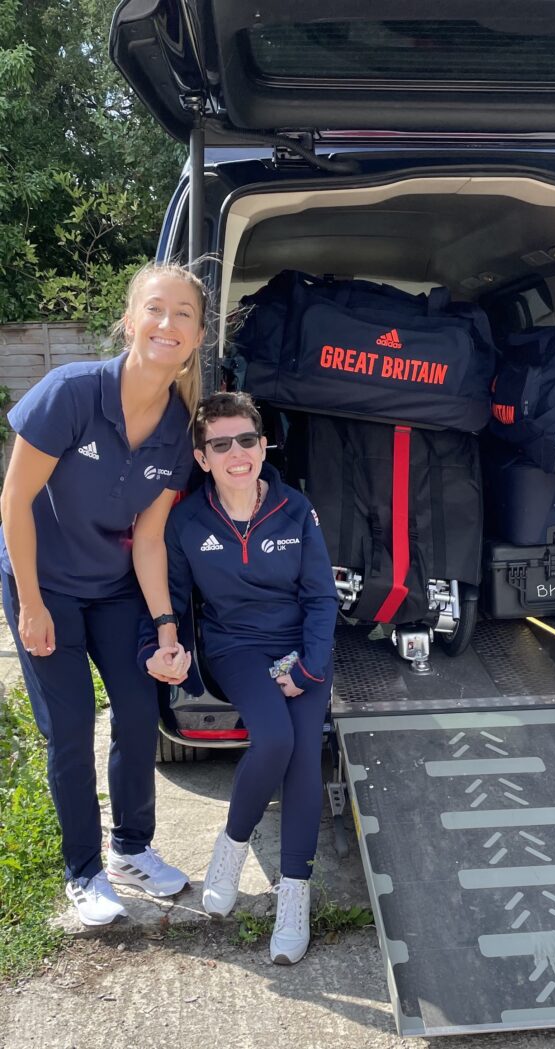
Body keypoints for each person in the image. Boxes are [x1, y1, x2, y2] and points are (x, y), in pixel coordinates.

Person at [0, 262, 206, 926]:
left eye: (183, 313)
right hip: (44, 582)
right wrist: (29, 605)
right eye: (155, 308)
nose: (167, 323)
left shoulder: (180, 427)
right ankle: (83, 871)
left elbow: (148, 541)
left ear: (199, 335)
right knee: (68, 731)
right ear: (130, 319)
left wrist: (167, 629)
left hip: (114, 587)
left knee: (140, 713)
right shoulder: (72, 392)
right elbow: (15, 500)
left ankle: (132, 849)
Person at [140, 391, 338, 964]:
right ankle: (231, 845)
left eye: (246, 440)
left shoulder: (296, 509)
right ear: (202, 457)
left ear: (263, 443)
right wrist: (163, 648)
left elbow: (321, 597)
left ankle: (293, 894)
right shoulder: (186, 520)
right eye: (220, 444)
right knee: (275, 738)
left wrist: (310, 666)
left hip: (299, 646)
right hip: (236, 649)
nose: (236, 453)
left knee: (303, 756)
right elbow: (172, 601)